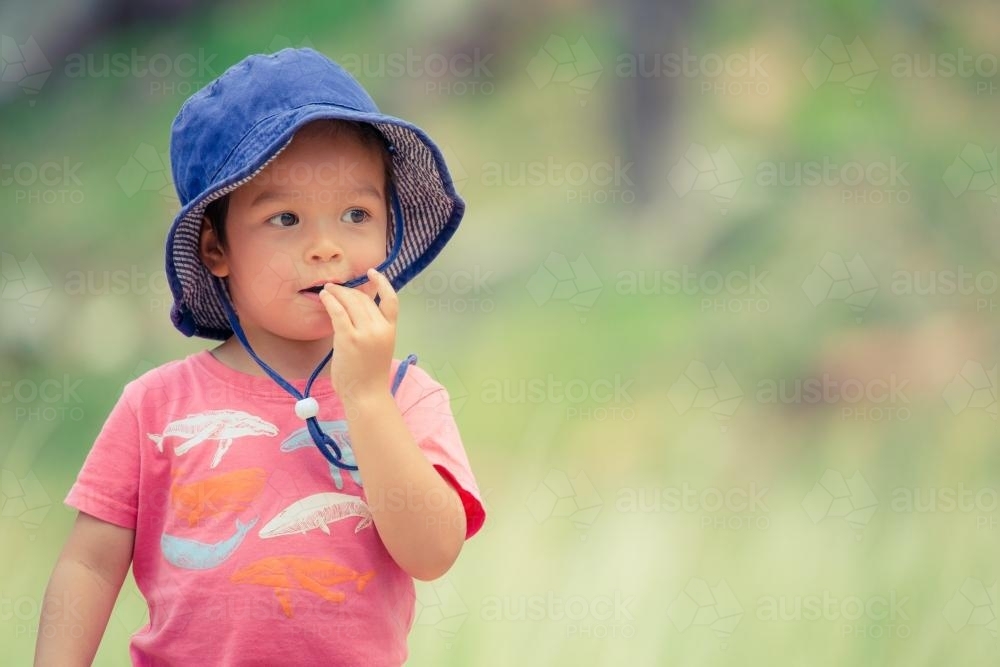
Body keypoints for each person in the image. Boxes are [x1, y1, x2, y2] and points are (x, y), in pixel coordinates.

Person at [34, 47, 485, 667]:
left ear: (388, 228)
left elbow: (433, 553)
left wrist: (366, 398)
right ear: (216, 248)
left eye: (356, 214)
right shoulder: (155, 406)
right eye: (286, 218)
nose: (326, 247)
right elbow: (89, 563)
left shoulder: (406, 395)